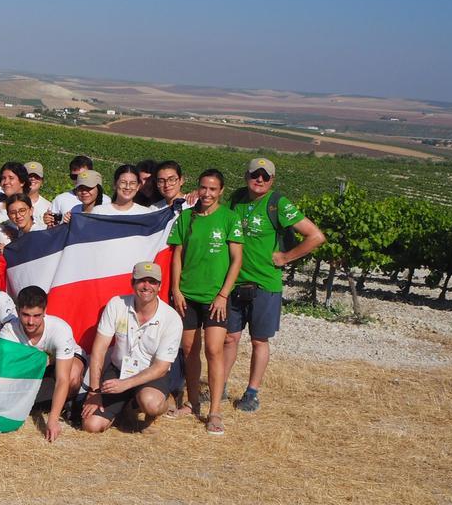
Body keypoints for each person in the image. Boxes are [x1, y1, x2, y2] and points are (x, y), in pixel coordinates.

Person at [223, 157, 326, 412]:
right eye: (254, 174)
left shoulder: (277, 203)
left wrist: (286, 257)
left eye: (265, 176)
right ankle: (220, 386)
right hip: (234, 282)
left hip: (265, 285)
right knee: (229, 339)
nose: (259, 179)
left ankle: (252, 392)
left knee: (259, 341)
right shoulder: (236, 199)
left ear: (272, 180)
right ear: (245, 176)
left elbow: (316, 236)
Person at [167, 169, 243, 436]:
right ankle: (192, 402)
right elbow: (177, 256)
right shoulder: (186, 218)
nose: (207, 193)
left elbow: (237, 260)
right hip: (187, 295)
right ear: (197, 189)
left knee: (213, 350)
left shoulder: (229, 219)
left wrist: (223, 294)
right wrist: (175, 289)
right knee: (189, 350)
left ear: (221, 191)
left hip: (215, 299)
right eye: (203, 188)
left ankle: (214, 412)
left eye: (213, 189)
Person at [81, 262, 182, 435]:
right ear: (132, 283)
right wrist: (94, 391)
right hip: (118, 371)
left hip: (151, 376)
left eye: (152, 282)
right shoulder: (116, 304)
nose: (147, 286)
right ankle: (127, 408)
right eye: (141, 280)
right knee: (91, 426)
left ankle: (165, 400)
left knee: (151, 404)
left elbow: (161, 367)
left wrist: (125, 385)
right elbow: (99, 349)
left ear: (159, 286)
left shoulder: (171, 318)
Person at [0, 286, 83, 442]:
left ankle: (68, 404)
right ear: (17, 311)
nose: (31, 321)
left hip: (63, 360)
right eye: (25, 315)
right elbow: (10, 371)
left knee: (71, 376)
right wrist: (40, 360)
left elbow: (62, 379)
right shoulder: (9, 331)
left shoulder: (60, 329)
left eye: (37, 315)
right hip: (36, 365)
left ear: (45, 311)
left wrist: (52, 419)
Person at [47, 155, 93, 225]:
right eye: (74, 176)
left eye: (83, 176)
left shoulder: (105, 201)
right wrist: (49, 223)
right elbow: (52, 230)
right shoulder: (60, 199)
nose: (78, 180)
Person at [25, 161, 52, 227]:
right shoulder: (13, 201)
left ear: (42, 181)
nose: (33, 179)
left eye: (36, 176)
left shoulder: (49, 206)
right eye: (29, 176)